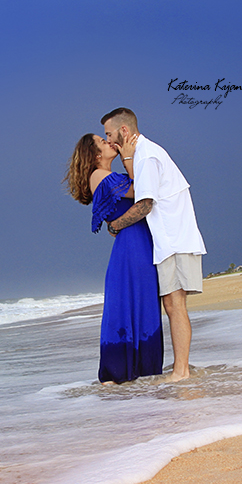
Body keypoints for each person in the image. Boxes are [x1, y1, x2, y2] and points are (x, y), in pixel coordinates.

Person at [102, 107, 205, 382]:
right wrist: (126, 158)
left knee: (175, 305)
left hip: (174, 241)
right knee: (173, 305)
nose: (108, 140)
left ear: (124, 131)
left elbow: (145, 204)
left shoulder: (146, 156)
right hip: (172, 240)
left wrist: (115, 225)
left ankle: (181, 371)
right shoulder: (144, 153)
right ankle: (181, 367)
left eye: (109, 134)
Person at [65, 133, 163, 384]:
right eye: (103, 141)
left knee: (139, 306)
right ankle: (121, 373)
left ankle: (138, 375)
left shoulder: (107, 176)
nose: (109, 142)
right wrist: (128, 157)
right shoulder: (99, 175)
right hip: (132, 248)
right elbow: (141, 190)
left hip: (134, 245)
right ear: (95, 154)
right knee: (135, 306)